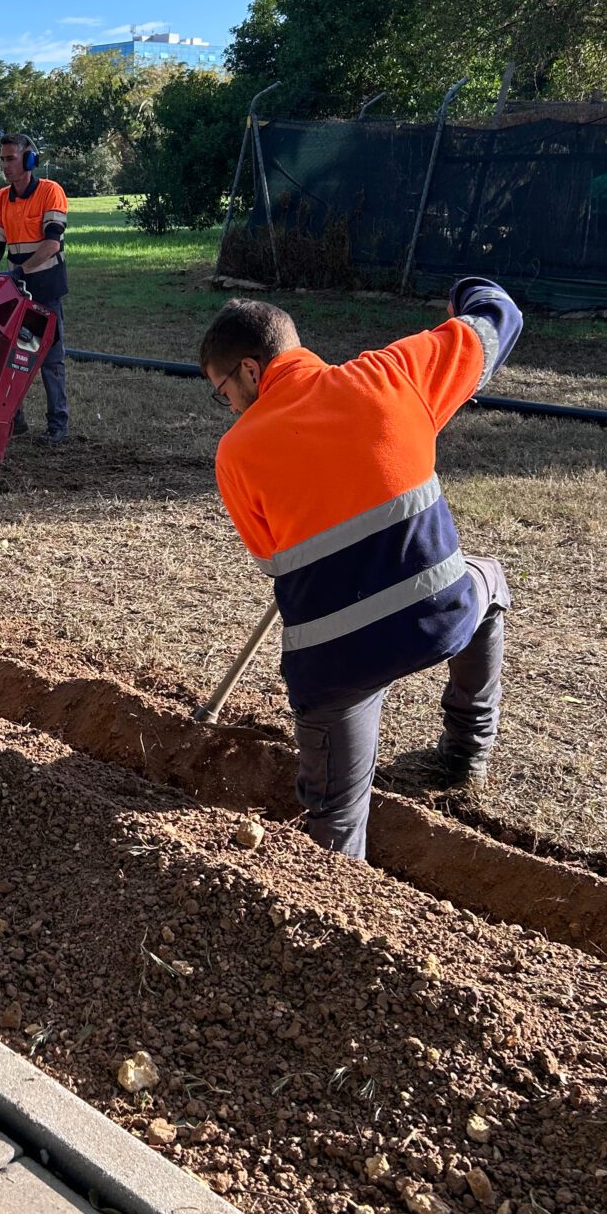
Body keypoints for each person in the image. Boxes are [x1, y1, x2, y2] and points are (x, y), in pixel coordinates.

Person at [199, 279, 524, 859]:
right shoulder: (394, 374)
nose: (226, 405)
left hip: (332, 665)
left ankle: (336, 907)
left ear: (250, 371)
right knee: (489, 581)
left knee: (334, 825)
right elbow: (499, 317)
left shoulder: (235, 453)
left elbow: (274, 559)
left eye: (222, 391)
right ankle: (468, 749)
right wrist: (464, 294)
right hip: (437, 618)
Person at [0, 134, 69, 440]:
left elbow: (52, 243)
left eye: (11, 158)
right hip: (15, 286)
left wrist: (21, 271)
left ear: (30, 160)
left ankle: (58, 426)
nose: (5, 165)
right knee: (8, 356)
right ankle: (14, 421)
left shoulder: (50, 192)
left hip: (45, 284)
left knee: (51, 360)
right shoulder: (1, 199)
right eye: (2, 159)